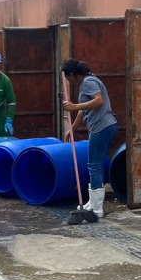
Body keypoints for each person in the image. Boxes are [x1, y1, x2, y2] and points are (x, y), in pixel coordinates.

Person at [62, 59, 118, 218]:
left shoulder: (88, 82)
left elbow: (99, 101)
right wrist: (72, 128)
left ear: (72, 75)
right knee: (94, 163)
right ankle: (93, 202)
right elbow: (83, 110)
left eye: (67, 78)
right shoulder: (88, 81)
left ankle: (97, 208)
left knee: (94, 164)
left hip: (101, 127)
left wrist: (74, 106)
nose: (68, 81)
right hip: (103, 126)